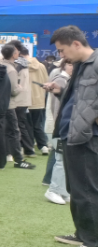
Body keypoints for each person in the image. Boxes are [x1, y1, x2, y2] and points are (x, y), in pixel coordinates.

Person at [50, 25, 98, 247]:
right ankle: (83, 233)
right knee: (76, 189)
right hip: (72, 134)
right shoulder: (81, 65)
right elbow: (81, 100)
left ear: (76, 44)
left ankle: (93, 242)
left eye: (62, 50)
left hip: (88, 136)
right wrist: (60, 92)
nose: (61, 56)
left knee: (87, 190)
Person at [0, 44, 36, 170]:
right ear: (14, 54)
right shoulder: (11, 69)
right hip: (9, 104)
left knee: (1, 131)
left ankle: (3, 157)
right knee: (14, 132)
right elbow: (13, 90)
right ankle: (18, 160)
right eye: (16, 52)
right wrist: (19, 88)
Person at [43, 60, 72, 205]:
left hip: (60, 126)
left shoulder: (68, 80)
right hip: (57, 126)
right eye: (70, 64)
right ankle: (53, 190)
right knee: (60, 160)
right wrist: (59, 127)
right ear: (64, 65)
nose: (73, 67)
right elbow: (57, 108)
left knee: (64, 160)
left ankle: (63, 191)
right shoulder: (61, 80)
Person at [8, 41, 37, 156]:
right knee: (22, 125)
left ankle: (26, 149)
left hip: (17, 98)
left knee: (18, 126)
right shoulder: (23, 62)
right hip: (23, 98)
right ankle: (28, 149)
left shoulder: (17, 64)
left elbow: (14, 81)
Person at [24, 45, 51, 155]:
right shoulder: (41, 66)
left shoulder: (21, 66)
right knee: (38, 125)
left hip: (25, 100)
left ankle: (29, 148)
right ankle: (43, 146)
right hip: (39, 99)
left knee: (26, 126)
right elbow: (46, 82)